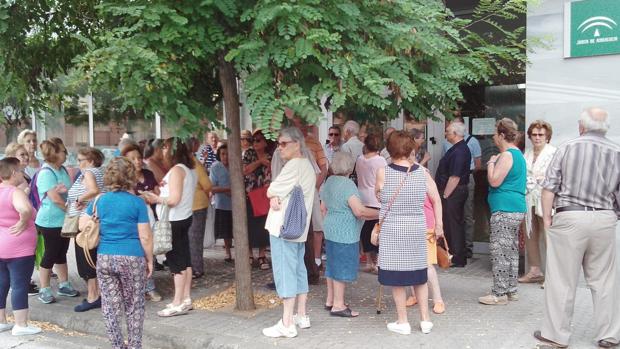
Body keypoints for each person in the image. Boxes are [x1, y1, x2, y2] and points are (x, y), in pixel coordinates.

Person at [534, 108, 620, 349]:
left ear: (581, 126)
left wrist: (548, 219)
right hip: (603, 218)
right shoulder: (617, 151)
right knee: (604, 280)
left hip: (569, 216)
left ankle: (556, 335)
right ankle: (609, 335)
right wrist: (612, 216)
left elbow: (549, 187)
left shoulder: (567, 148)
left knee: (562, 279)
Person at [81, 157, 153, 349]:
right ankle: (134, 346)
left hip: (105, 257)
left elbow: (82, 225)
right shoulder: (137, 203)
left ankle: (117, 345)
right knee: (134, 305)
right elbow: (145, 236)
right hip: (132, 257)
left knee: (110, 306)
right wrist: (150, 260)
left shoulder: (100, 200)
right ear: (131, 177)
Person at [376, 130, 440, 335]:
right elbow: (436, 199)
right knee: (418, 274)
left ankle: (403, 321)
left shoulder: (383, 172)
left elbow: (379, 197)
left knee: (397, 277)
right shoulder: (422, 172)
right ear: (411, 148)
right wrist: (439, 225)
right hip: (416, 228)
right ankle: (425, 319)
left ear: (390, 149)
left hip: (393, 230)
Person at [262, 127, 316, 338]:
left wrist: (273, 195)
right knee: (298, 270)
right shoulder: (308, 166)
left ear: (297, 143)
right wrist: (275, 196)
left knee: (285, 273)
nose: (279, 147)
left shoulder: (294, 165)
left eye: (284, 143)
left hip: (283, 228)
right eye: (279, 143)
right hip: (298, 229)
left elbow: (271, 189)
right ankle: (301, 315)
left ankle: (286, 323)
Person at [143, 138, 197, 317]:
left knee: (176, 263)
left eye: (165, 148)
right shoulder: (188, 170)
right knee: (185, 260)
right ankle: (186, 298)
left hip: (174, 220)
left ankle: (177, 302)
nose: (162, 151)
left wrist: (155, 199)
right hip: (184, 218)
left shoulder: (176, 171)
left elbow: (174, 199)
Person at [320, 151, 378, 317]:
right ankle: (338, 305)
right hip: (344, 232)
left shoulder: (329, 181)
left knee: (332, 265)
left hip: (330, 229)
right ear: (350, 167)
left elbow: (323, 207)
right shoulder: (347, 185)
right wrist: (380, 213)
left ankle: (330, 300)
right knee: (341, 267)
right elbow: (359, 211)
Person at [478, 118, 526, 305]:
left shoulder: (506, 155)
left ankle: (498, 294)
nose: (493, 137)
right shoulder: (518, 155)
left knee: (499, 251)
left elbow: (495, 181)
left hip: (504, 209)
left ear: (502, 135)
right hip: (515, 208)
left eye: (495, 133)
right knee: (511, 251)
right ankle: (511, 290)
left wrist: (490, 163)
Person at [0, 157, 42, 336]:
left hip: (2, 246)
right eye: (19, 170)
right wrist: (24, 220)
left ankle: (1, 321)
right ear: (12, 173)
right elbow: (24, 209)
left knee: (2, 283)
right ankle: (21, 325)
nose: (21, 172)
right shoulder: (14, 192)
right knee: (19, 285)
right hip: (19, 248)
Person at [35, 139, 80, 304]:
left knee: (61, 253)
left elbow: (66, 191)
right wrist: (71, 211)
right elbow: (56, 199)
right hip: (50, 221)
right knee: (50, 254)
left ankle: (64, 284)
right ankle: (44, 289)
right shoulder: (46, 173)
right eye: (62, 151)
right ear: (53, 154)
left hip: (62, 221)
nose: (65, 153)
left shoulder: (61, 169)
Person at [122, 143, 162, 302]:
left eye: (139, 158)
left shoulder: (148, 173)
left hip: (149, 216)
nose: (137, 161)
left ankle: (149, 287)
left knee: (148, 251)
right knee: (136, 254)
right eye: (132, 159)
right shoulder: (124, 179)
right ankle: (142, 288)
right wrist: (141, 198)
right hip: (132, 220)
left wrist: (156, 192)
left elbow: (156, 191)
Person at [67, 147, 106, 312]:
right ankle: (98, 294)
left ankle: (93, 296)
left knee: (86, 259)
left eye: (80, 160)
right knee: (93, 257)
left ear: (90, 161)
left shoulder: (89, 172)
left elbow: (94, 191)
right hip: (95, 221)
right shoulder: (100, 172)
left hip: (86, 224)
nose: (78, 164)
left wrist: (78, 198)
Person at [519, 120, 556, 284]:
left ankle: (554, 277)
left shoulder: (554, 153)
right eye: (534, 134)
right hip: (528, 199)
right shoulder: (526, 153)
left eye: (541, 134)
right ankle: (535, 270)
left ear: (547, 136)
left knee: (550, 237)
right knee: (530, 234)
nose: (537, 137)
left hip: (546, 200)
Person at [443, 116, 482, 259]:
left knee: (467, 213)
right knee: (452, 214)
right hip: (450, 179)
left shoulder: (472, 142)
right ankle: (453, 247)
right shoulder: (446, 143)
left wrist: (465, 173)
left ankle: (468, 247)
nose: (447, 129)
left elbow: (478, 164)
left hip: (466, 179)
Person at [436, 121, 471, 267]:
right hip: (453, 191)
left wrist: (445, 195)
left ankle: (457, 257)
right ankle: (452, 254)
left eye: (448, 131)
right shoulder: (457, 149)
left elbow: (455, 177)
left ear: (456, 134)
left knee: (454, 224)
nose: (446, 133)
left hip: (453, 192)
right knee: (451, 223)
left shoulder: (460, 151)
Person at [355, 133, 387, 273]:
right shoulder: (380, 160)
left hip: (362, 196)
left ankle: (369, 261)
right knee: (379, 229)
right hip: (376, 197)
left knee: (366, 230)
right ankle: (379, 262)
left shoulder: (360, 159)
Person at [243, 129, 273, 270]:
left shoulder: (271, 155)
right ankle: (249, 254)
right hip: (250, 194)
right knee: (248, 224)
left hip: (265, 195)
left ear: (266, 141)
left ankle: (262, 254)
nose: (254, 143)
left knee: (263, 225)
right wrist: (260, 161)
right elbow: (245, 170)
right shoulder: (249, 153)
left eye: (258, 140)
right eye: (253, 140)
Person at [187, 137, 212, 279]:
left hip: (190, 205)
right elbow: (207, 184)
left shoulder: (187, 162)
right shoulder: (194, 163)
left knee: (192, 238)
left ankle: (194, 267)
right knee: (195, 238)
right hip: (197, 204)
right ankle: (196, 267)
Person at [210, 145, 233, 262]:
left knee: (235, 229)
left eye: (228, 153)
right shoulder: (215, 167)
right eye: (223, 154)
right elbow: (212, 188)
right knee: (225, 231)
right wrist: (227, 190)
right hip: (222, 204)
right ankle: (228, 252)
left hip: (236, 204)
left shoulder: (236, 165)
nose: (225, 156)